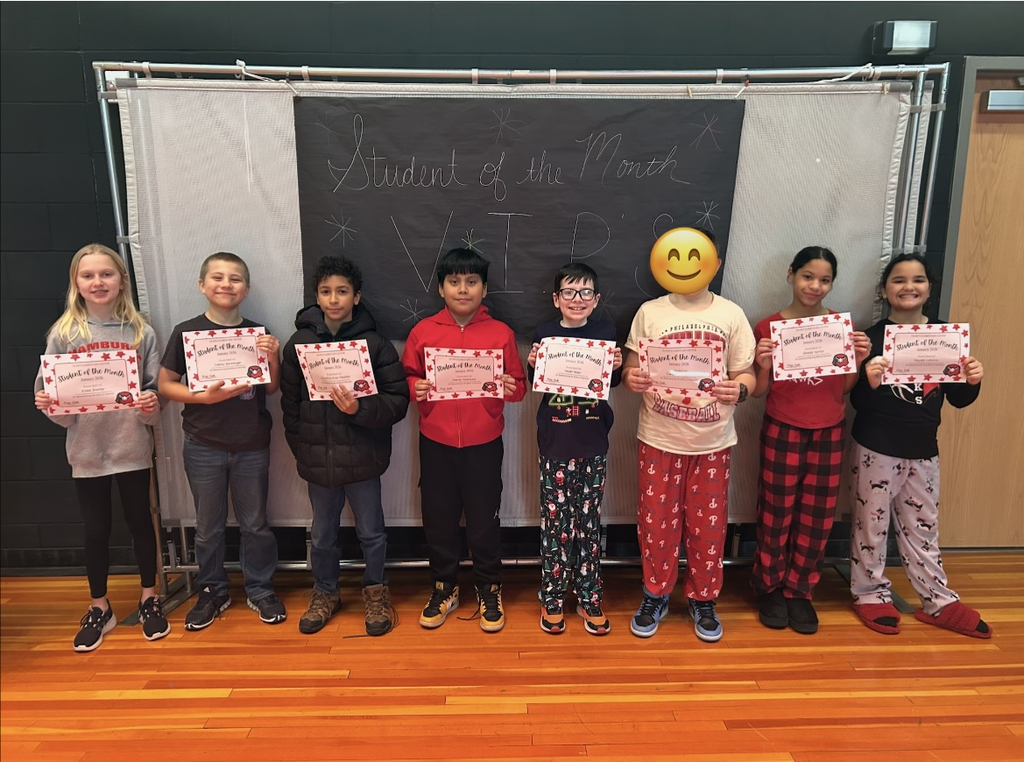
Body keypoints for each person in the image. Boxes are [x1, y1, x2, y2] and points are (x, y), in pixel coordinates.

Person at [622, 227, 756, 641]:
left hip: (713, 441)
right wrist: (631, 378)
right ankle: (656, 593)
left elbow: (746, 373)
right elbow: (630, 366)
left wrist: (741, 388)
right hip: (659, 437)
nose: (686, 264)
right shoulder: (650, 312)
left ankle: (704, 598)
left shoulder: (731, 314)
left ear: (715, 263)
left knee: (707, 527)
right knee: (656, 523)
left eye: (698, 255)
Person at [33, 243, 168, 651]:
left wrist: (150, 405)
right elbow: (49, 394)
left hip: (131, 446)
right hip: (87, 450)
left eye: (106, 274)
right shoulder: (63, 333)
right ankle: (99, 606)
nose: (98, 282)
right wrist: (49, 405)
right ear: (76, 283)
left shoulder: (141, 332)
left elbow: (154, 392)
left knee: (141, 522)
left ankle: (149, 598)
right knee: (96, 530)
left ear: (122, 281)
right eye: (88, 275)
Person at [848, 254, 991, 638]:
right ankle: (869, 593)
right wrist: (869, 380)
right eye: (898, 280)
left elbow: (958, 399)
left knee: (923, 528)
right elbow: (858, 402)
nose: (908, 286)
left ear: (929, 288)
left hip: (924, 449)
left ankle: (937, 599)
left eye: (918, 280)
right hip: (876, 447)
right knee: (870, 526)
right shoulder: (872, 337)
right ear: (884, 290)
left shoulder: (946, 336)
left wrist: (972, 380)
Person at [281, 256, 408, 637]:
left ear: (357, 296)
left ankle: (376, 592)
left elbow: (397, 402)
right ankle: (325, 592)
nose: (334, 299)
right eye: (326, 291)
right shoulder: (299, 344)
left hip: (364, 458)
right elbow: (290, 407)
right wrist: (303, 450)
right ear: (316, 296)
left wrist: (358, 409)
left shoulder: (375, 344)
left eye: (342, 291)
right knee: (322, 535)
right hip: (318, 460)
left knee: (372, 532)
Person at [401, 248, 527, 632]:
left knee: (484, 518)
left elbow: (519, 387)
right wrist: (414, 387)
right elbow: (407, 377)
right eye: (454, 281)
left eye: (471, 282)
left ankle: (489, 586)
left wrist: (511, 388)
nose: (462, 289)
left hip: (483, 442)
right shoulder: (423, 332)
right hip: (436, 441)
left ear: (484, 289)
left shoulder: (501, 333)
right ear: (441, 288)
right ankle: (444, 586)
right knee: (438, 517)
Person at [158, 252, 285, 630]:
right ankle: (212, 589)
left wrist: (273, 357)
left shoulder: (258, 333)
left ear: (246, 289)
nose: (226, 284)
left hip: (251, 443)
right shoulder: (186, 332)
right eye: (217, 277)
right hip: (203, 443)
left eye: (235, 279)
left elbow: (272, 388)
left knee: (256, 524)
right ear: (202, 285)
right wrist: (202, 398)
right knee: (208, 527)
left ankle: (259, 588)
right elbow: (165, 385)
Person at [749, 247, 870, 634]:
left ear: (832, 284)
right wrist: (763, 364)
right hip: (782, 426)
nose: (815, 286)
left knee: (817, 517)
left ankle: (800, 590)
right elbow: (759, 390)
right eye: (807, 276)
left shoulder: (839, 327)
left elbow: (844, 388)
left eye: (824, 280)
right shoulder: (768, 327)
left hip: (830, 428)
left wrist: (858, 360)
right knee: (775, 512)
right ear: (791, 274)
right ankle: (769, 586)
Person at [527, 263, 622, 636]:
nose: (577, 299)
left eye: (585, 292)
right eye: (569, 292)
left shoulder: (605, 333)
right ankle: (552, 597)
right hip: (555, 444)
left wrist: (616, 366)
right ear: (556, 299)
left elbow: (611, 381)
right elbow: (538, 381)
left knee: (588, 524)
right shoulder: (545, 334)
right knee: (556, 525)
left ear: (596, 299)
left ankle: (589, 595)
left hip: (593, 443)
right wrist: (533, 363)